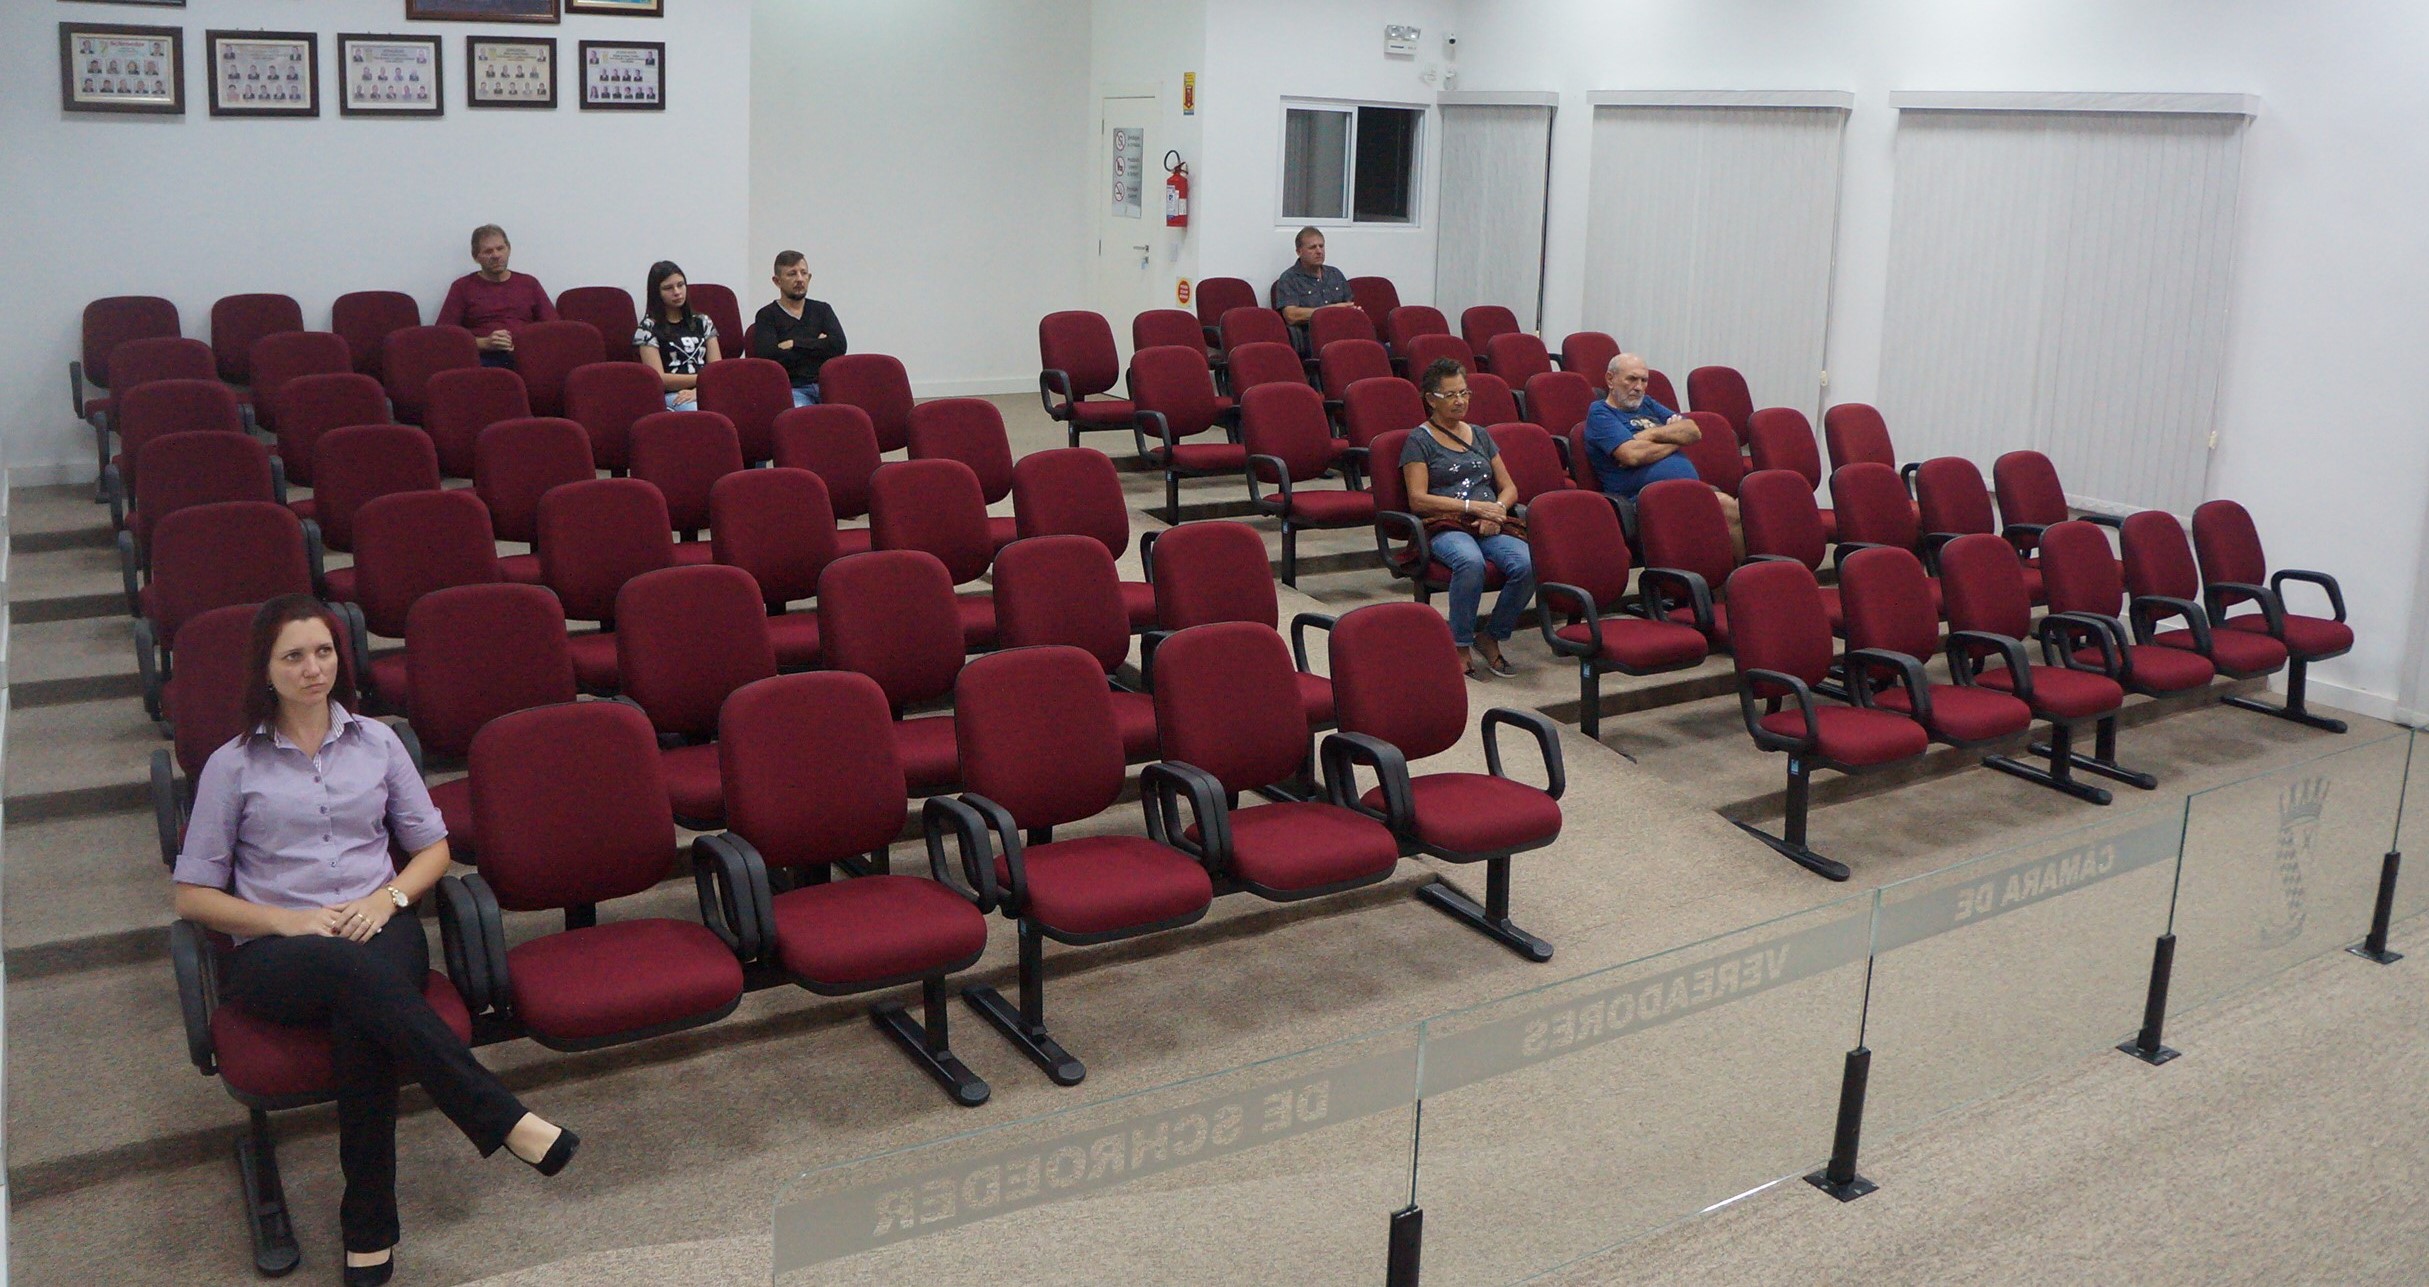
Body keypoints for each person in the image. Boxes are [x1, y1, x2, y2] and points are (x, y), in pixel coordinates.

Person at [171, 596, 579, 1286]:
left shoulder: (378, 742)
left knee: (361, 1020)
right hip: (277, 950)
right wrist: (288, 920)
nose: (312, 668)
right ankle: (501, 1118)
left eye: (323, 651)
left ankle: (369, 1230)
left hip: (378, 924)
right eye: (293, 656)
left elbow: (433, 849)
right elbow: (191, 896)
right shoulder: (232, 765)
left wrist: (385, 898)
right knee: (353, 981)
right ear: (264, 670)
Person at [1399, 359, 1535, 678]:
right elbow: (1418, 499)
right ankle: (1459, 643)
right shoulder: (1418, 441)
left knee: (1528, 564)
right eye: (1450, 395)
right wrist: (1473, 507)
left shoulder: (1480, 435)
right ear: (1430, 399)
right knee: (1470, 562)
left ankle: (1491, 636)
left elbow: (1509, 488)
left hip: (1489, 521)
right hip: (1446, 524)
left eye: (1464, 393)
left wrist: (1497, 509)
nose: (1460, 401)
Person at [1584, 352, 1743, 548]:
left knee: (1735, 509)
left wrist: (1648, 435)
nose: (1639, 387)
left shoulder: (1647, 404)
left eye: (1644, 380)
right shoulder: (1600, 413)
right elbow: (1632, 455)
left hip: (1685, 489)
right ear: (1610, 379)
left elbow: (1693, 431)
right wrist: (1674, 436)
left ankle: (1740, 568)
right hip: (1645, 499)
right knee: (1727, 508)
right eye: (1632, 379)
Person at [436, 225, 557, 369]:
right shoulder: (462, 287)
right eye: (488, 251)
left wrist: (525, 343)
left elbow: (553, 327)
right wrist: (484, 343)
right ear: (476, 256)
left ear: (509, 249)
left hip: (527, 356)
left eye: (500, 248)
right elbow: (445, 336)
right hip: (483, 359)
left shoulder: (529, 283)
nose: (496, 255)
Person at [751, 250, 846, 406]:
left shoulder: (822, 310)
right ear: (777, 281)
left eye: (804, 273)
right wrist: (818, 344)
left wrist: (794, 344)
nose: (800, 279)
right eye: (792, 274)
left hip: (827, 386)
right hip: (793, 388)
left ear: (810, 277)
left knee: (851, 412)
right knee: (802, 415)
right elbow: (769, 358)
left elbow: (839, 346)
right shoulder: (767, 315)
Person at [634, 260, 720, 409]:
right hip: (673, 394)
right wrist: (701, 380)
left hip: (705, 389)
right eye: (668, 288)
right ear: (656, 293)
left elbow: (717, 370)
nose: (677, 292)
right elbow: (658, 379)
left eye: (680, 285)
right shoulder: (647, 329)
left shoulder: (703, 321)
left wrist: (698, 390)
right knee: (695, 411)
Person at [1271, 227, 1354, 354]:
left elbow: (1349, 306)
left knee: (1376, 349)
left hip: (1342, 333)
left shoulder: (1335, 274)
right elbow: (1291, 315)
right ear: (1299, 251)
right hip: (1312, 340)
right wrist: (1330, 311)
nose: (1319, 251)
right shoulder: (1289, 279)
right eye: (1312, 247)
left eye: (1321, 246)